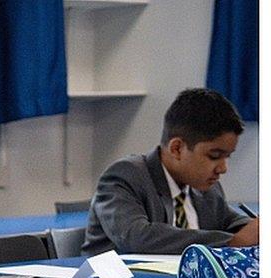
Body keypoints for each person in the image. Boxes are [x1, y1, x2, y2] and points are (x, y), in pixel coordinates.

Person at [83, 88, 258, 256]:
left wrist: (256, 229)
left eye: (227, 157)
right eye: (214, 156)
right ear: (177, 149)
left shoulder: (208, 189)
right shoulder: (124, 176)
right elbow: (136, 236)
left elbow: (230, 222)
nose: (222, 168)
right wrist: (230, 242)